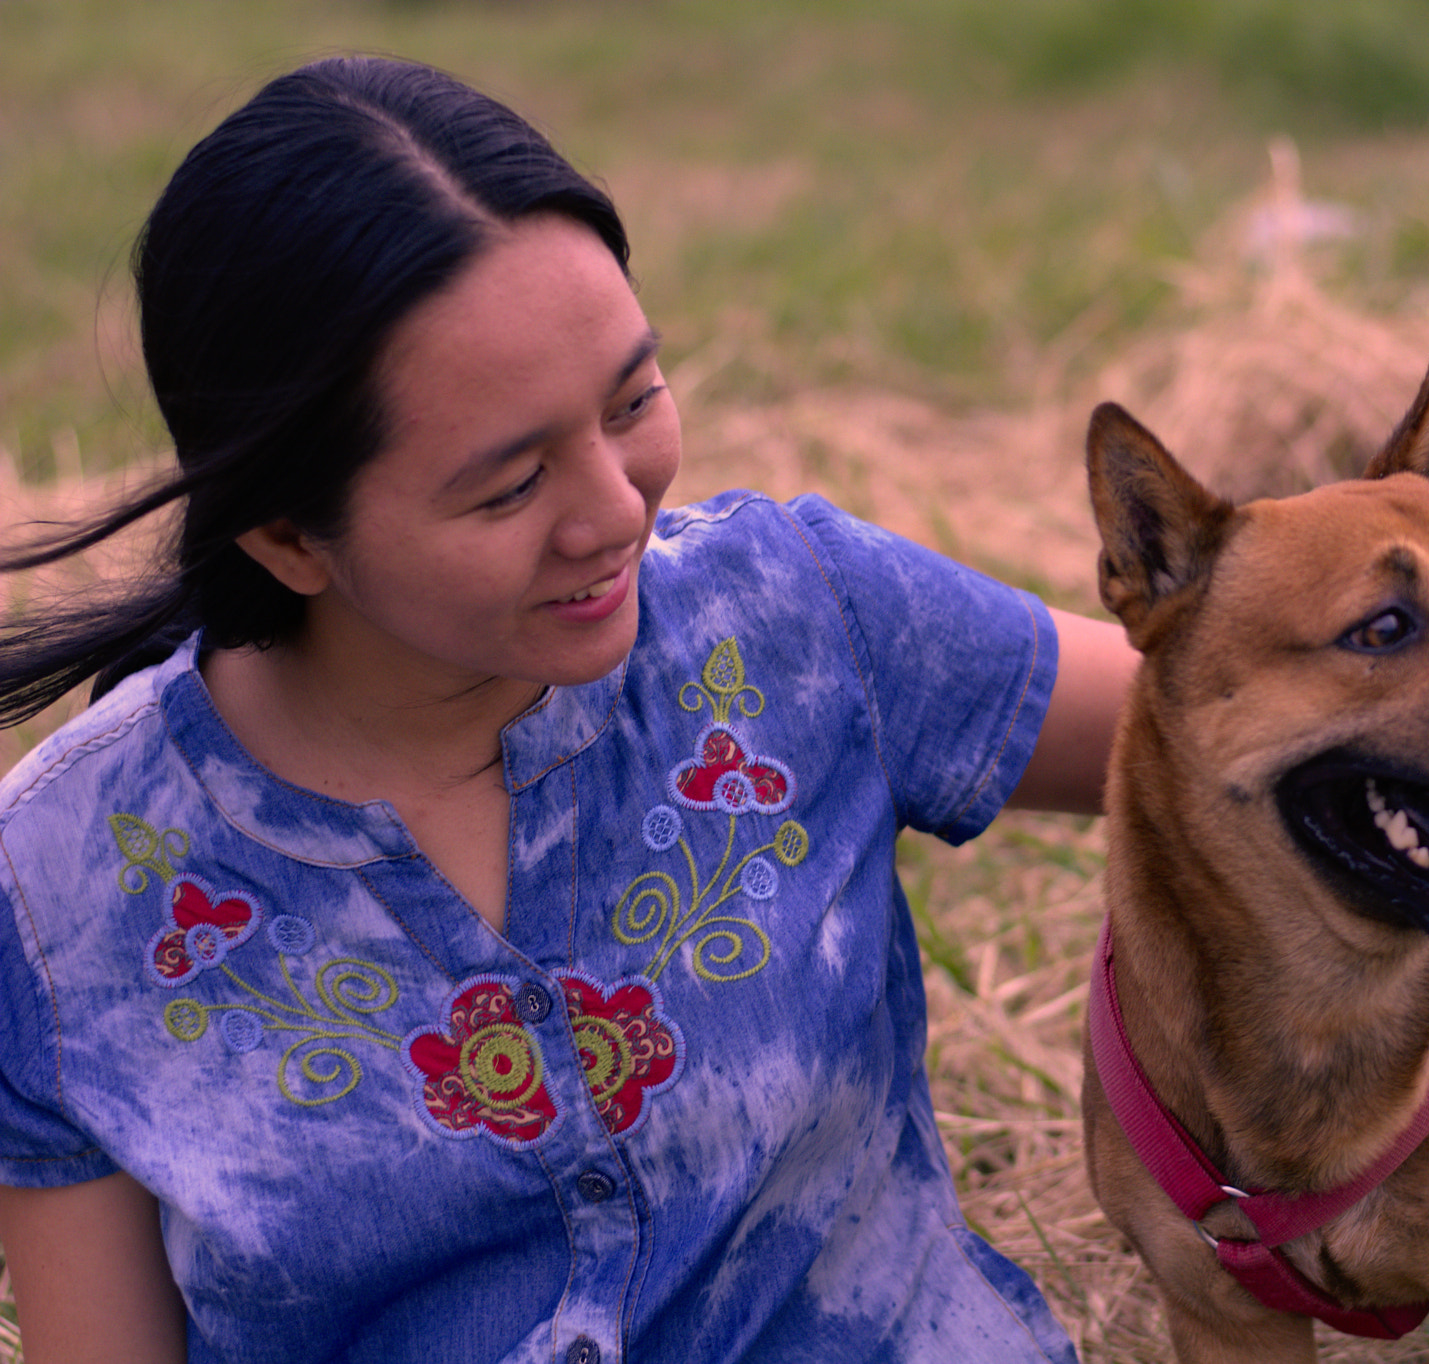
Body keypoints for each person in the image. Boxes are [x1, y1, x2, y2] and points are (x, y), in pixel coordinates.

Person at [0, 55, 1134, 1364]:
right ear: (286, 536)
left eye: (633, 401)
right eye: (506, 487)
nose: (615, 510)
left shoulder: (802, 625)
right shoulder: (62, 893)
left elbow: (1247, 748)